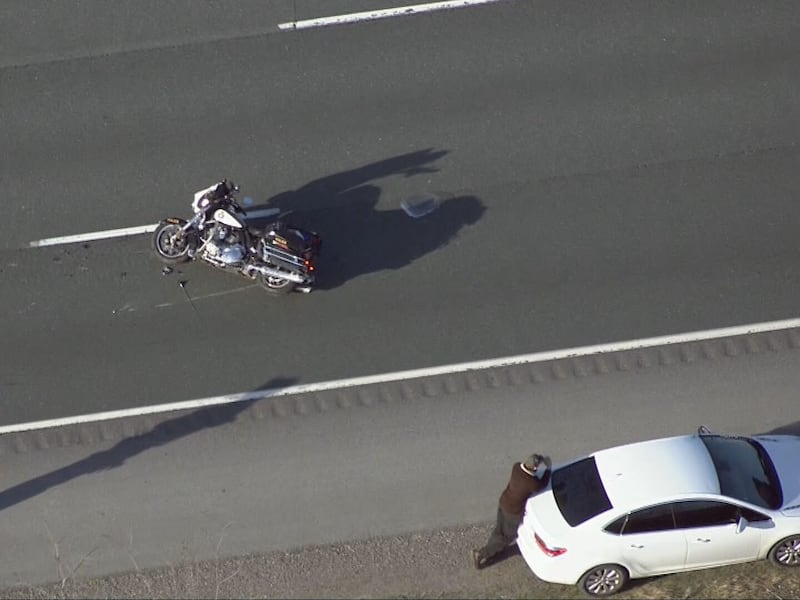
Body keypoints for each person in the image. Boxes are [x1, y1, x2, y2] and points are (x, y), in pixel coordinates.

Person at [473, 453, 551, 569]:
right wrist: (548, 468)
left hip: (504, 501)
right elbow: (542, 484)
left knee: (499, 530)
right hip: (513, 512)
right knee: (507, 536)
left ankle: (492, 548)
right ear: (534, 468)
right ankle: (482, 554)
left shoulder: (516, 467)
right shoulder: (531, 483)